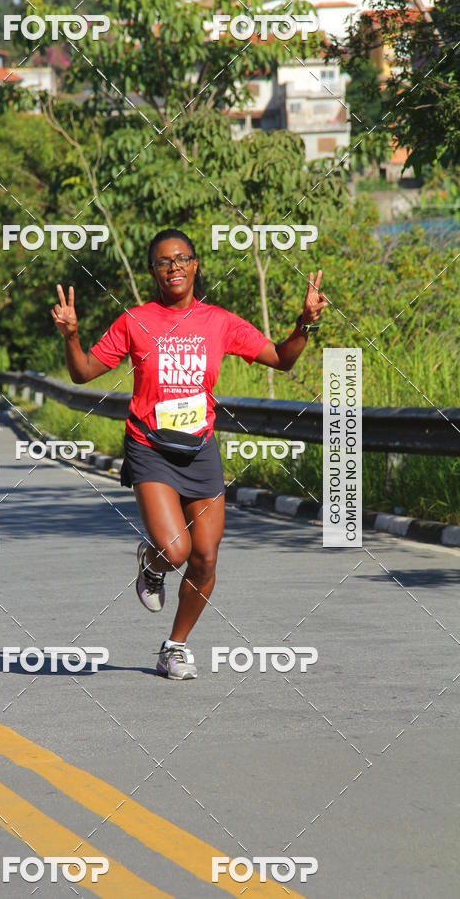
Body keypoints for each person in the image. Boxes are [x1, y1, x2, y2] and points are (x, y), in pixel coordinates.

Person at [51, 229, 327, 681]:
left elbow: (281, 358)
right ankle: (153, 562)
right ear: (153, 272)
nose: (174, 267)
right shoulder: (134, 321)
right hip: (150, 447)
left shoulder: (219, 322)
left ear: (196, 265)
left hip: (199, 448)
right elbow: (82, 373)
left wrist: (305, 323)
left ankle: (174, 647)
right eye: (163, 261)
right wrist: (72, 335)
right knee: (176, 550)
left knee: (205, 558)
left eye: (182, 258)